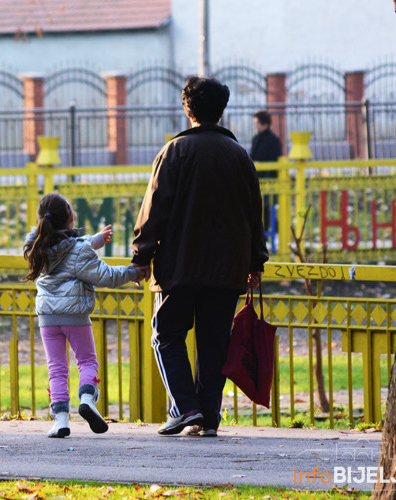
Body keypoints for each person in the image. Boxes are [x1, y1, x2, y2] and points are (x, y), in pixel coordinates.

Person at [131, 76, 269, 437]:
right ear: (221, 111)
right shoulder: (240, 156)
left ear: (187, 110)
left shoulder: (174, 152)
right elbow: (254, 213)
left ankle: (184, 408)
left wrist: (141, 256)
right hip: (227, 269)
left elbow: (155, 209)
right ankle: (208, 417)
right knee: (214, 342)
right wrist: (255, 262)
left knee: (166, 334)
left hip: (180, 266)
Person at [24, 192, 142, 438]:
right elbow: (106, 275)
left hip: (48, 318)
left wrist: (94, 241)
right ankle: (87, 399)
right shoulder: (79, 251)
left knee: (56, 368)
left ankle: (61, 421)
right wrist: (134, 272)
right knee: (87, 362)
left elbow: (69, 246)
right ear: (70, 217)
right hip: (75, 316)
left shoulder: (37, 247)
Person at [250, 110, 283, 231]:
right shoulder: (256, 139)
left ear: (265, 124)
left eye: (257, 123)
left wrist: (261, 163)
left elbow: (274, 159)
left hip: (269, 178)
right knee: (258, 207)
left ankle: (270, 231)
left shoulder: (274, 140)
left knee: (268, 206)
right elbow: (252, 156)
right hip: (257, 178)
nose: (255, 126)